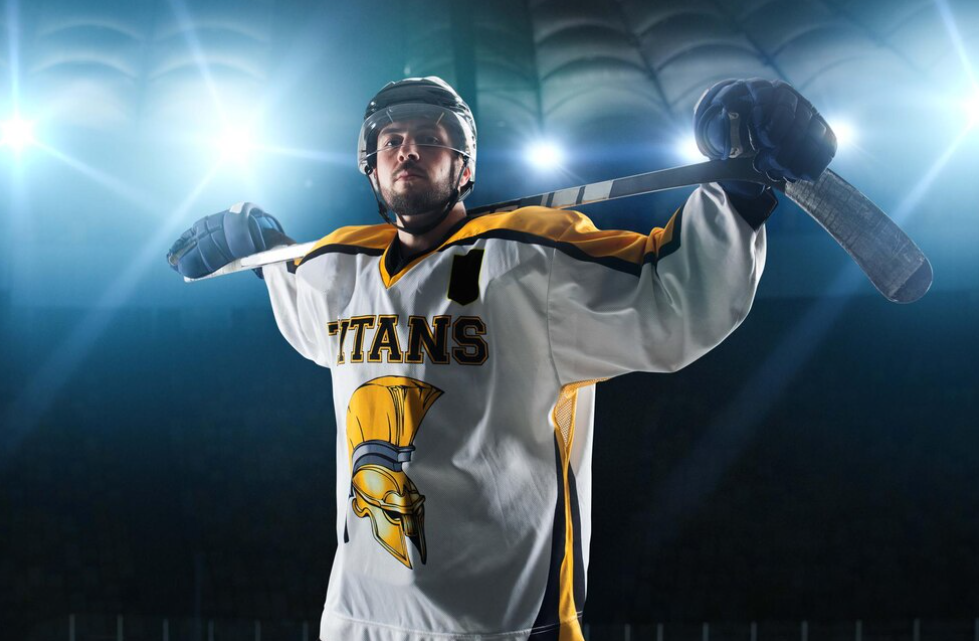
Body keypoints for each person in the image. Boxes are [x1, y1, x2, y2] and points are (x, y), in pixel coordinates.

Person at [168, 76, 835, 641]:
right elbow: (298, 284)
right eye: (390, 140)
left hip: (500, 622)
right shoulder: (343, 263)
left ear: (464, 166)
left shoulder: (528, 255)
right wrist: (257, 243)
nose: (407, 149)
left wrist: (741, 194)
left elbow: (674, 294)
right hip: (357, 618)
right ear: (369, 166)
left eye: (429, 136)